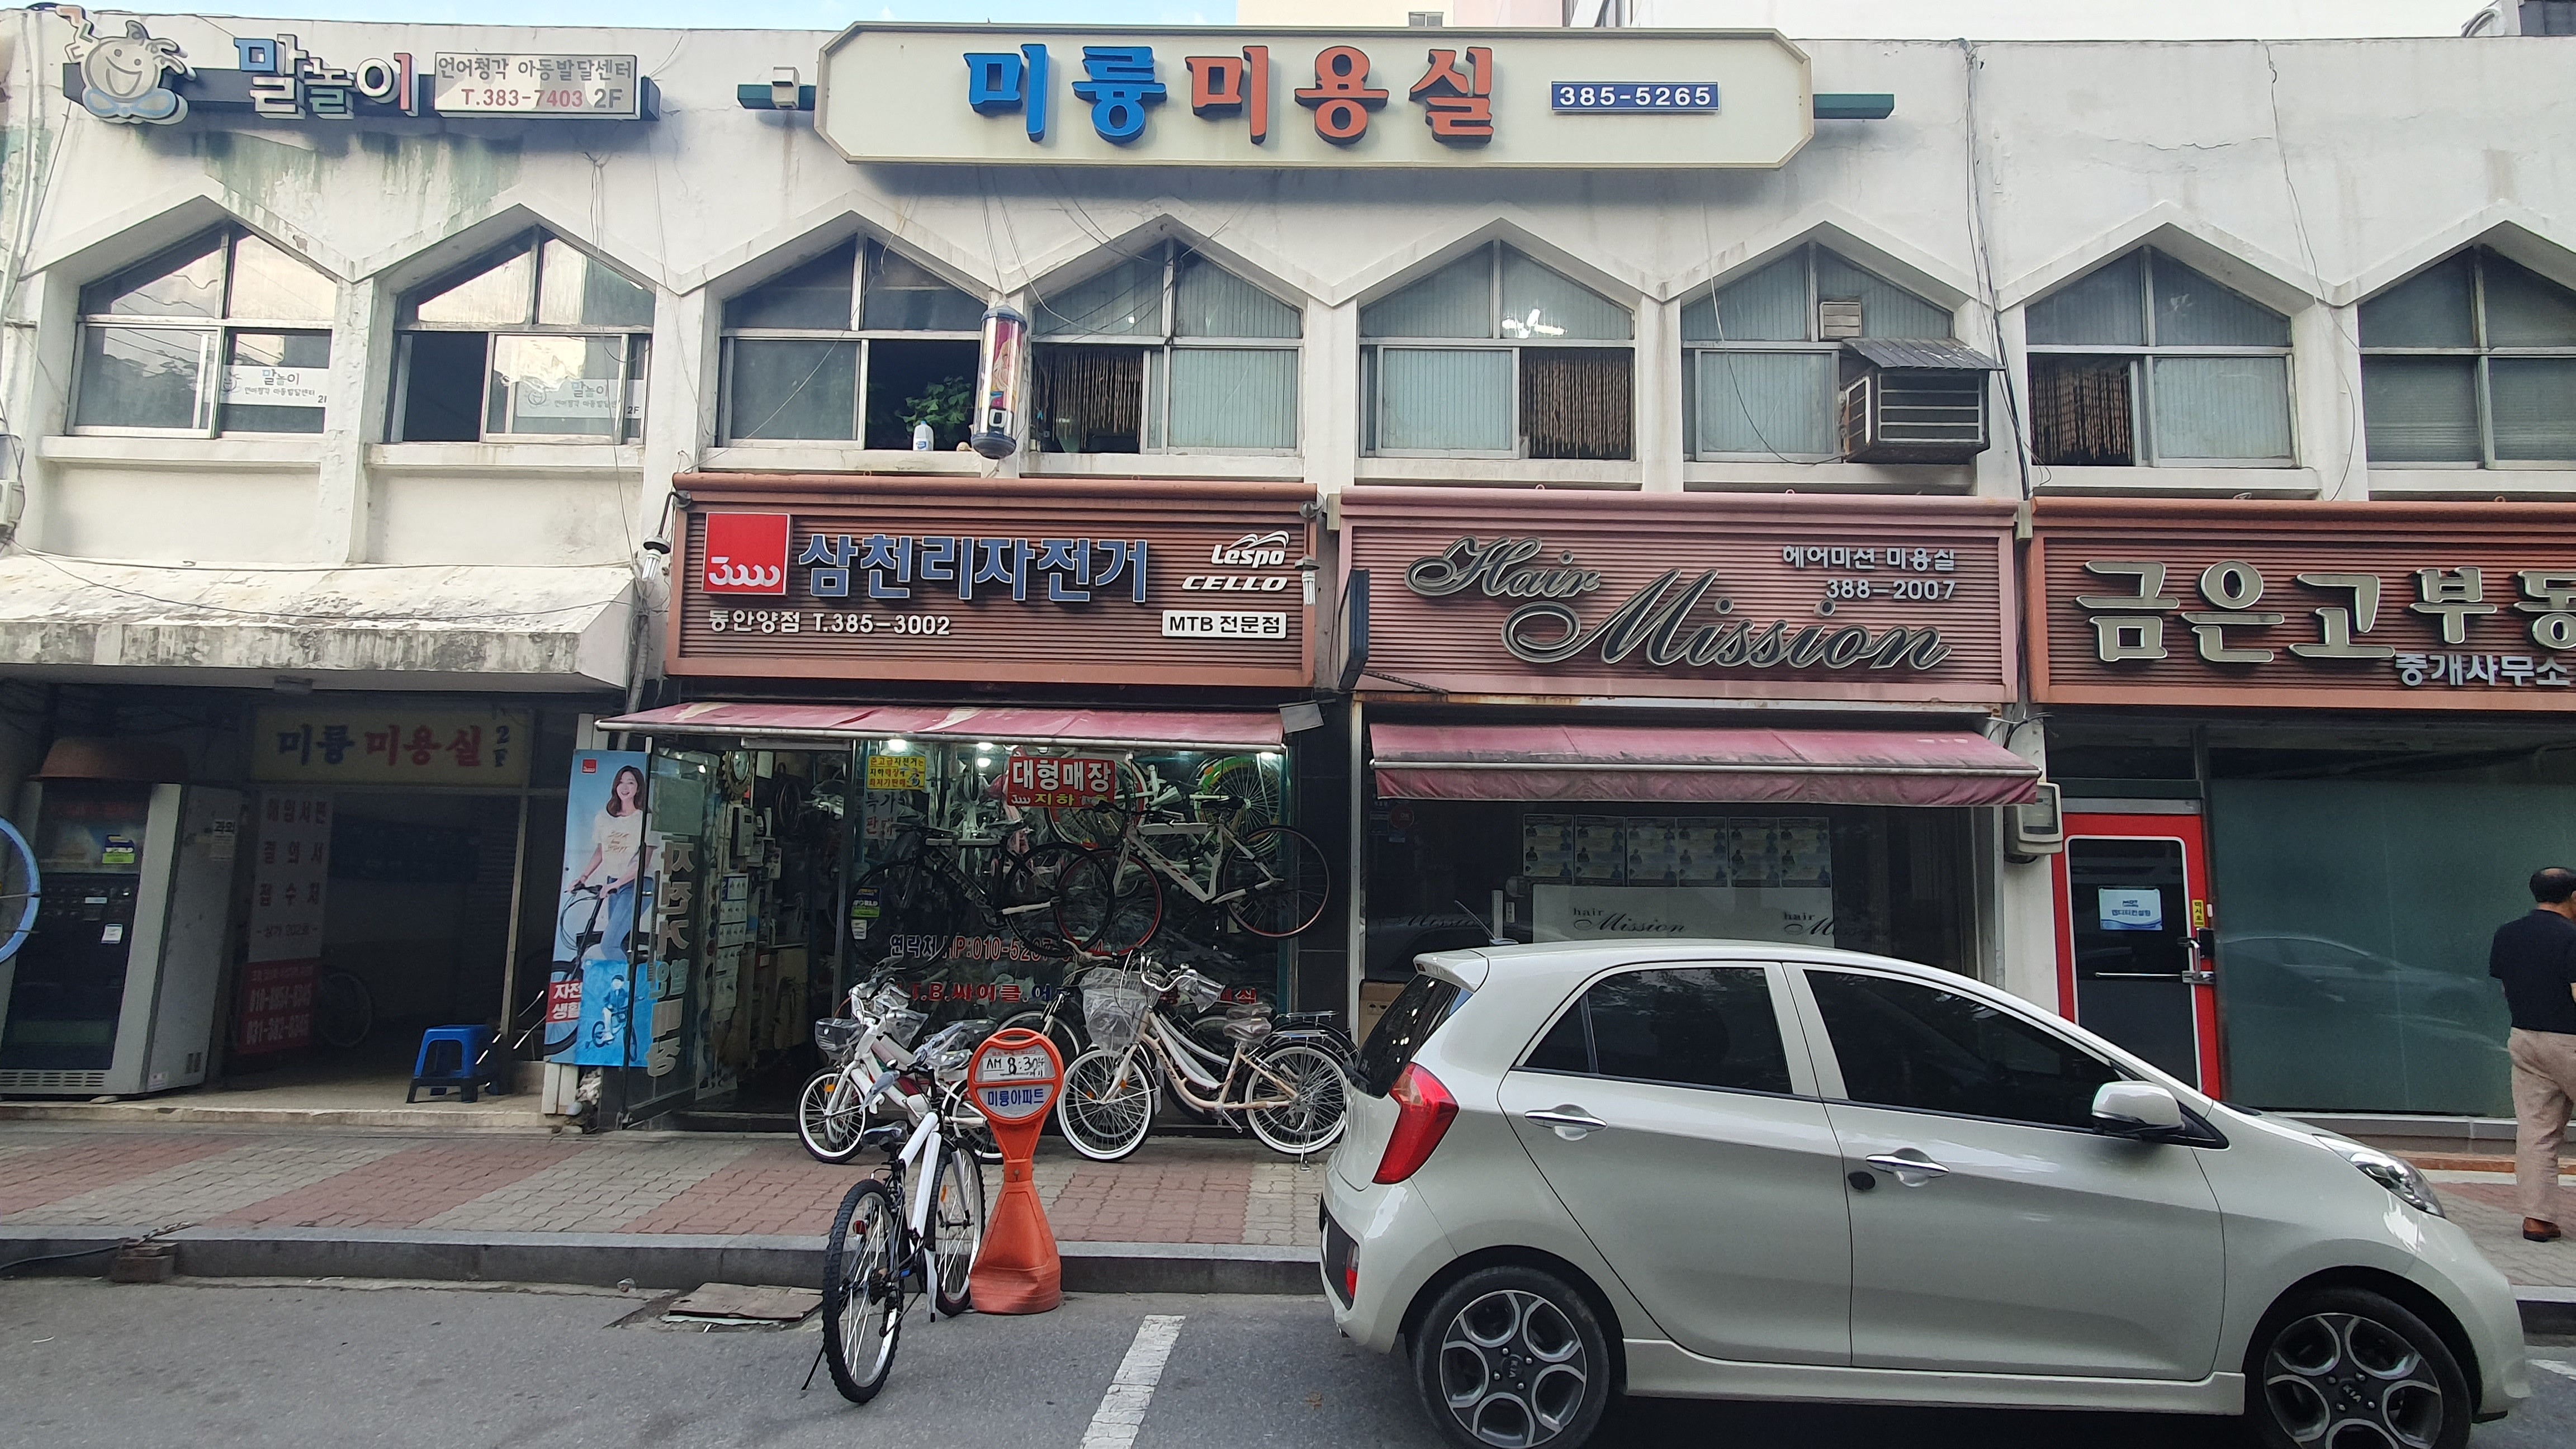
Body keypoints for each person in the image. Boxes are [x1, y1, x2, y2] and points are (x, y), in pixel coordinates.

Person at [2490, 865, 2576, 1242]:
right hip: (2570, 1041)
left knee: (2537, 1131)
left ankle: (2537, 1219)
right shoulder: (2572, 938)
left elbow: (2507, 989)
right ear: (2574, 897)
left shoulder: (2507, 934)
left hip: (2525, 1039)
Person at [569, 765, 646, 967]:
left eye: (631, 783)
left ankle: (627, 983)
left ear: (638, 788)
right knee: (618, 943)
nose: (625, 787)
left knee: (609, 945)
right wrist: (583, 878)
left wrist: (617, 884)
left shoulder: (645, 819)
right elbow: (601, 851)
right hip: (614, 883)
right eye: (621, 782)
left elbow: (643, 862)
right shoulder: (604, 817)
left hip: (637, 884)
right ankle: (620, 981)